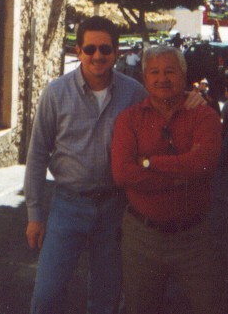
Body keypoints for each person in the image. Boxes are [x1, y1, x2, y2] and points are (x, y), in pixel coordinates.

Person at [24, 17, 203, 314]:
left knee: (105, 299)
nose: (98, 56)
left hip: (115, 210)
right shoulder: (56, 93)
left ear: (116, 52)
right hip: (68, 206)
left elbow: (165, 105)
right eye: (90, 48)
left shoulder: (134, 93)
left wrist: (192, 100)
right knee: (47, 295)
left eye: (105, 49)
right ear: (79, 50)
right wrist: (34, 214)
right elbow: (37, 154)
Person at [111, 44, 222, 314]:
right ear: (145, 78)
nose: (162, 78)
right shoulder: (130, 119)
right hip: (142, 238)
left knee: (210, 307)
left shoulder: (203, 115)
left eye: (170, 71)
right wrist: (179, 177)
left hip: (194, 238)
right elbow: (122, 173)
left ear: (183, 76)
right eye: (155, 72)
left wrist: (149, 163)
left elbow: (203, 164)